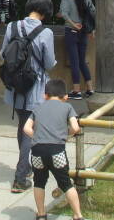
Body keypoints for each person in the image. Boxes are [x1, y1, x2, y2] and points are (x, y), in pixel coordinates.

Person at [0, 0, 57, 193]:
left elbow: (3, 53)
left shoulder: (11, 26)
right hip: (35, 87)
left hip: (15, 86)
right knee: (29, 130)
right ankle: (20, 176)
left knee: (23, 126)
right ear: (45, 10)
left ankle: (26, 168)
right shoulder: (46, 33)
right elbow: (49, 63)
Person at [23, 79, 87, 220]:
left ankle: (41, 214)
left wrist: (38, 136)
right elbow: (76, 128)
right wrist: (65, 134)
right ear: (65, 96)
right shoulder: (68, 107)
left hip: (37, 152)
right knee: (66, 184)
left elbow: (26, 128)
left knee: (39, 182)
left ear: (45, 96)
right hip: (57, 151)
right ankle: (77, 215)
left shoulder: (37, 108)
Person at [57, 0, 95, 100]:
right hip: (83, 33)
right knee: (82, 61)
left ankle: (76, 91)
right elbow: (93, 12)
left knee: (74, 62)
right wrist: (91, 28)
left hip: (71, 33)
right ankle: (90, 88)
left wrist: (74, 24)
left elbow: (65, 14)